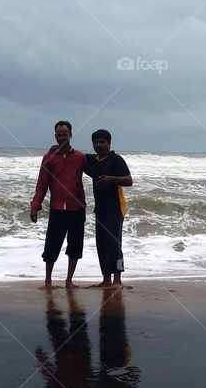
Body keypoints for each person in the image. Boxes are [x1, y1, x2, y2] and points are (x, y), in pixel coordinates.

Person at [30, 121, 87, 289]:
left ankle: (69, 280)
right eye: (59, 134)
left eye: (65, 134)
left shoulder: (80, 157)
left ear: (71, 134)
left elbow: (95, 172)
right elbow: (42, 183)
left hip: (77, 208)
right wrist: (35, 205)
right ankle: (48, 281)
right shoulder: (48, 158)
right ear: (55, 136)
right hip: (56, 209)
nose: (62, 137)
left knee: (75, 246)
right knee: (52, 246)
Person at [84, 129, 132, 288]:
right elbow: (74, 156)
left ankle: (117, 280)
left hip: (116, 208)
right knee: (102, 244)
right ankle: (106, 279)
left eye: (102, 142)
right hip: (100, 210)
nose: (98, 145)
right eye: (95, 142)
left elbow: (129, 180)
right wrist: (57, 148)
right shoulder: (92, 160)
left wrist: (111, 180)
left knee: (114, 244)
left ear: (109, 143)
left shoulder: (116, 159)